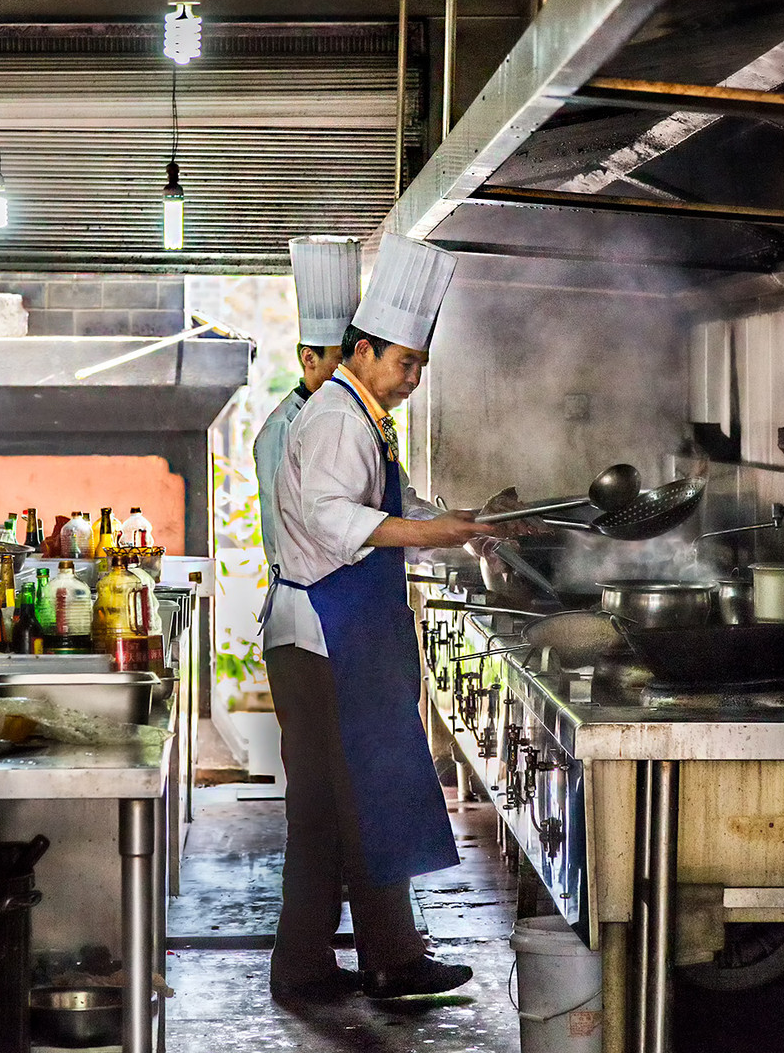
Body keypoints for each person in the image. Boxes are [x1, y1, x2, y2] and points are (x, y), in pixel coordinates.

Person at [262, 233, 529, 1004]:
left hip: (331, 634)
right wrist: (433, 533)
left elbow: (390, 507)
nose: (413, 376)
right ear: (365, 348)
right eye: (405, 362)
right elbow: (330, 519)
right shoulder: (340, 418)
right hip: (326, 635)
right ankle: (386, 960)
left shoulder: (361, 413)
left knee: (332, 809)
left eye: (418, 364)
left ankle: (316, 965)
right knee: (356, 802)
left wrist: (460, 523)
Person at [254, 235, 361, 567]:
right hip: (307, 596)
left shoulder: (353, 418)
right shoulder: (281, 429)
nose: (351, 370)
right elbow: (284, 532)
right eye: (340, 360)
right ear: (308, 358)